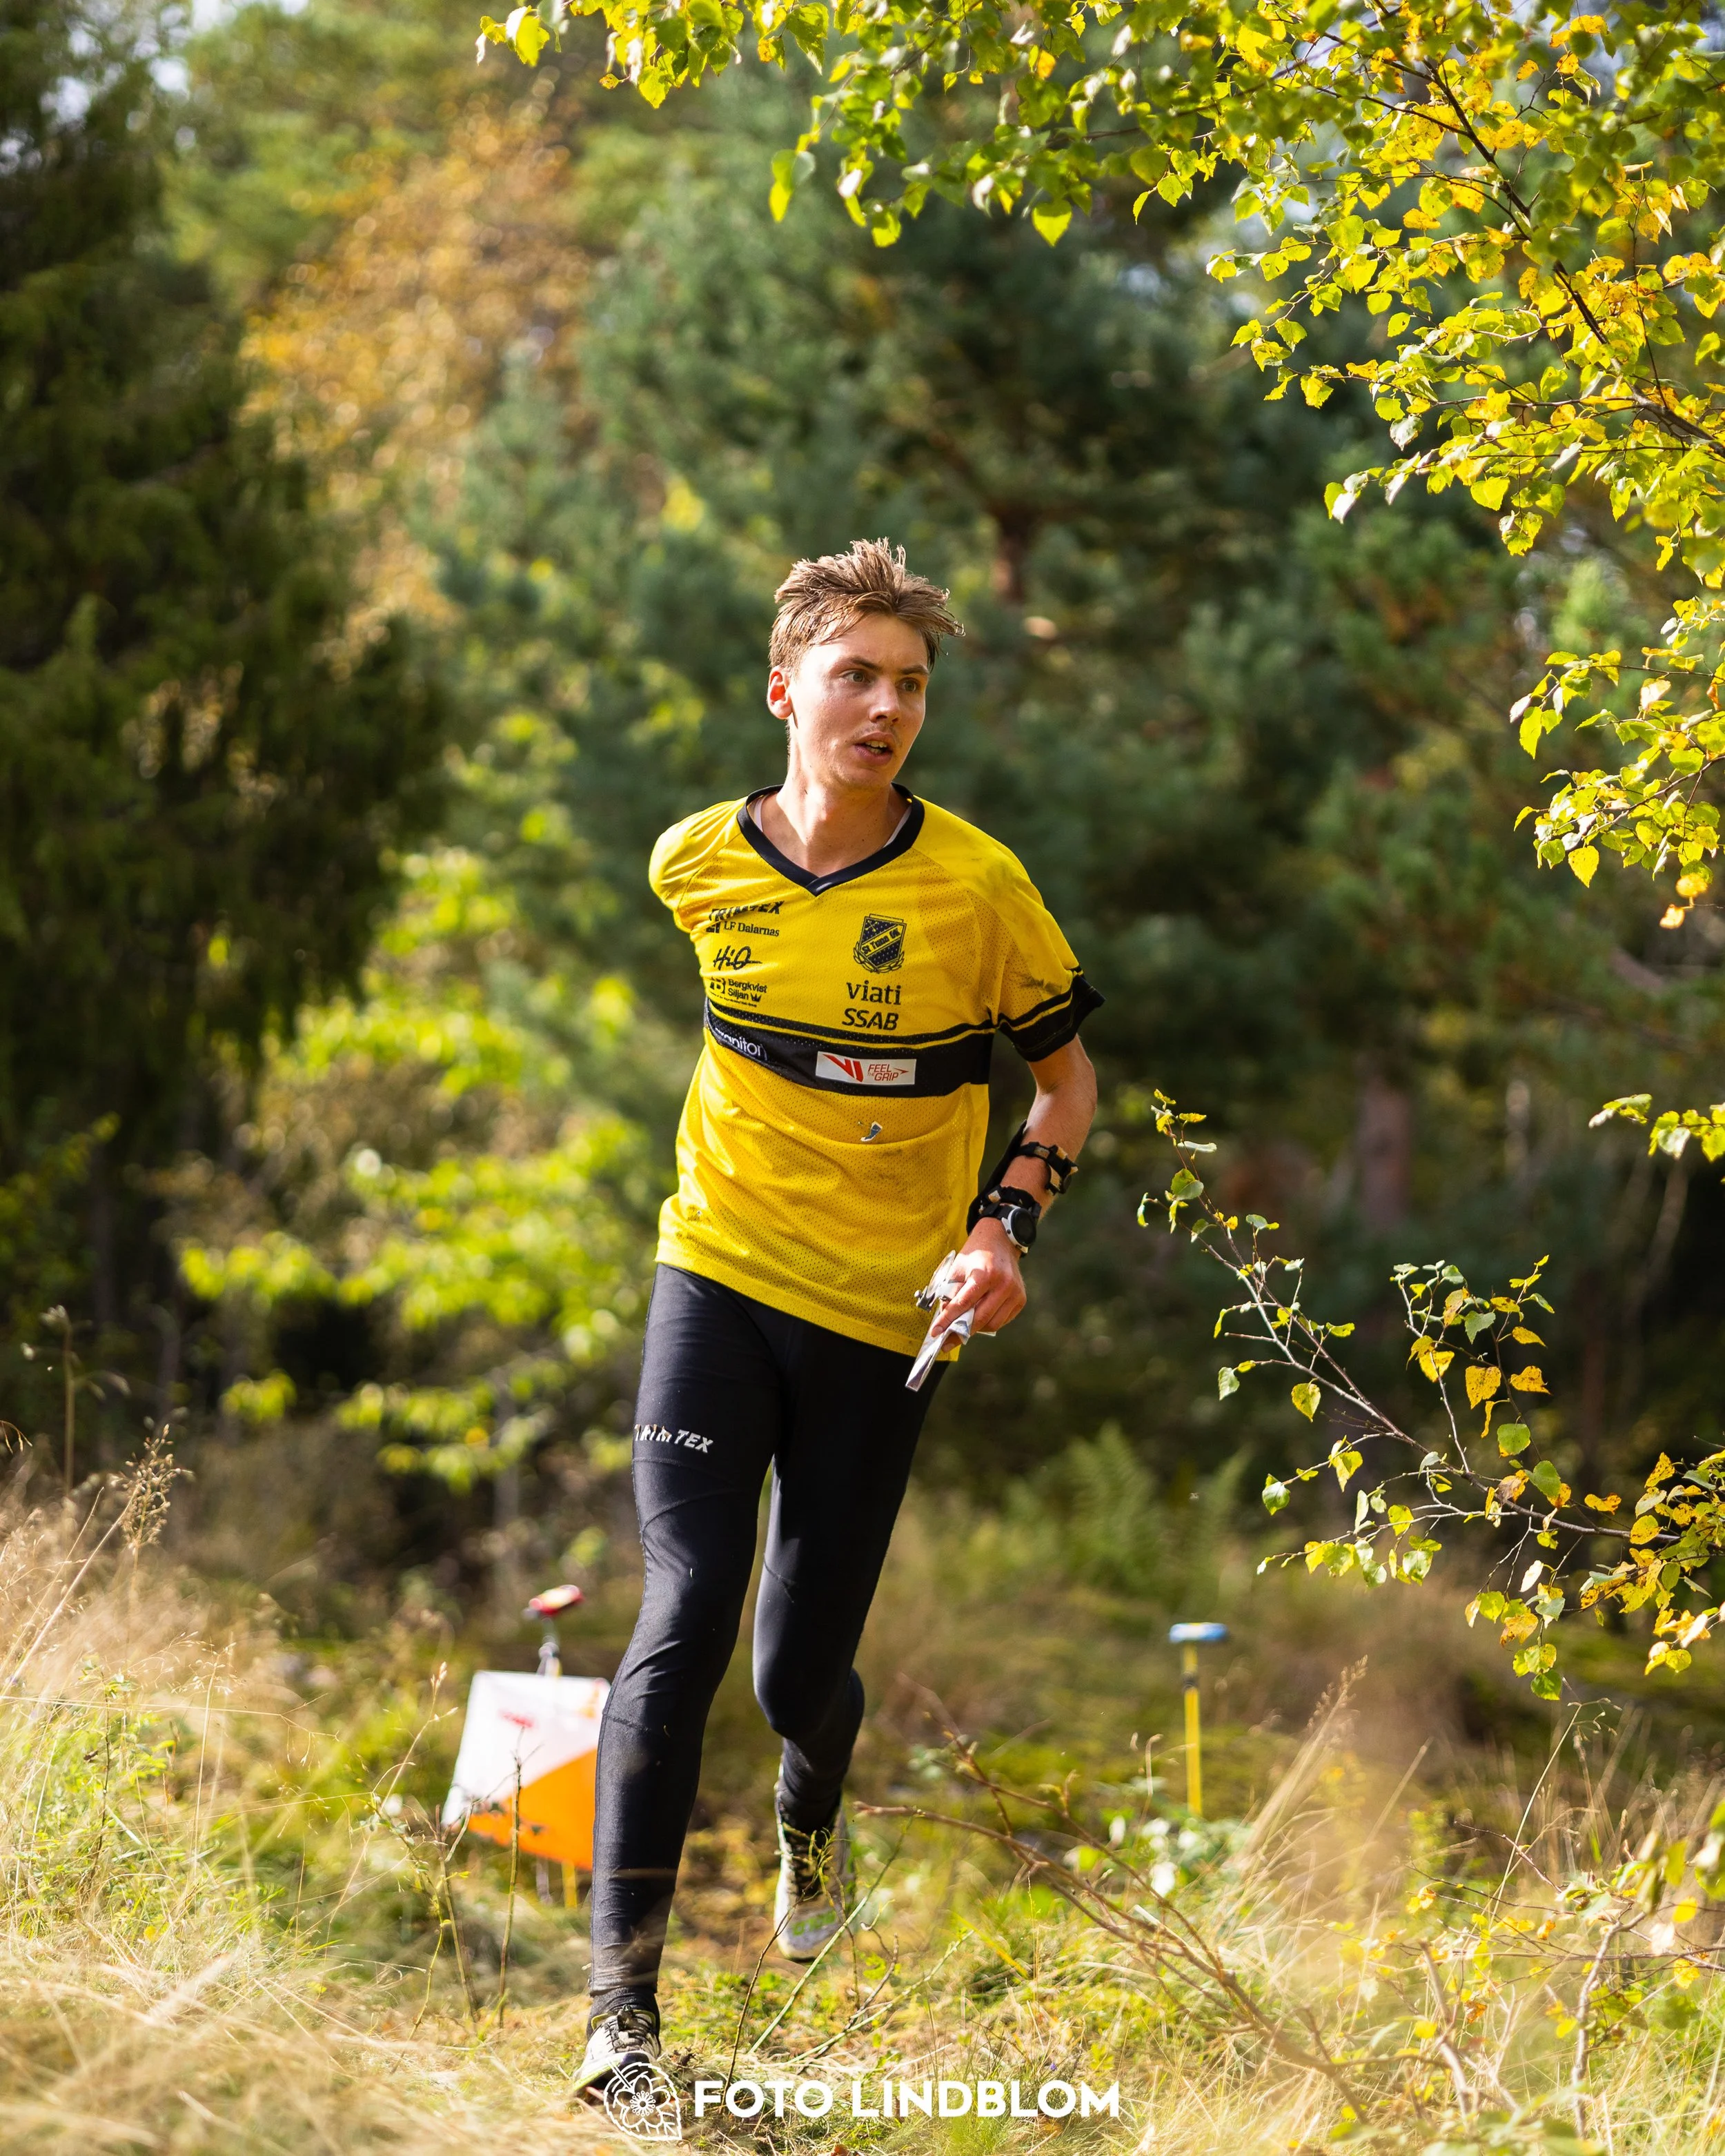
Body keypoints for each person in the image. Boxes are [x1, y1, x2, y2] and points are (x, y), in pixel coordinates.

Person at [575, 538, 1101, 2094]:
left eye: (911, 684)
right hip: (717, 1271)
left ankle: (815, 1809)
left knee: (793, 1672)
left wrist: (1004, 1228)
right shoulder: (694, 864)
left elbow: (1064, 1080)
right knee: (677, 1611)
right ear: (784, 689)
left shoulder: (976, 887)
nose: (883, 708)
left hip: (888, 1313)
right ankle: (622, 2019)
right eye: (855, 676)